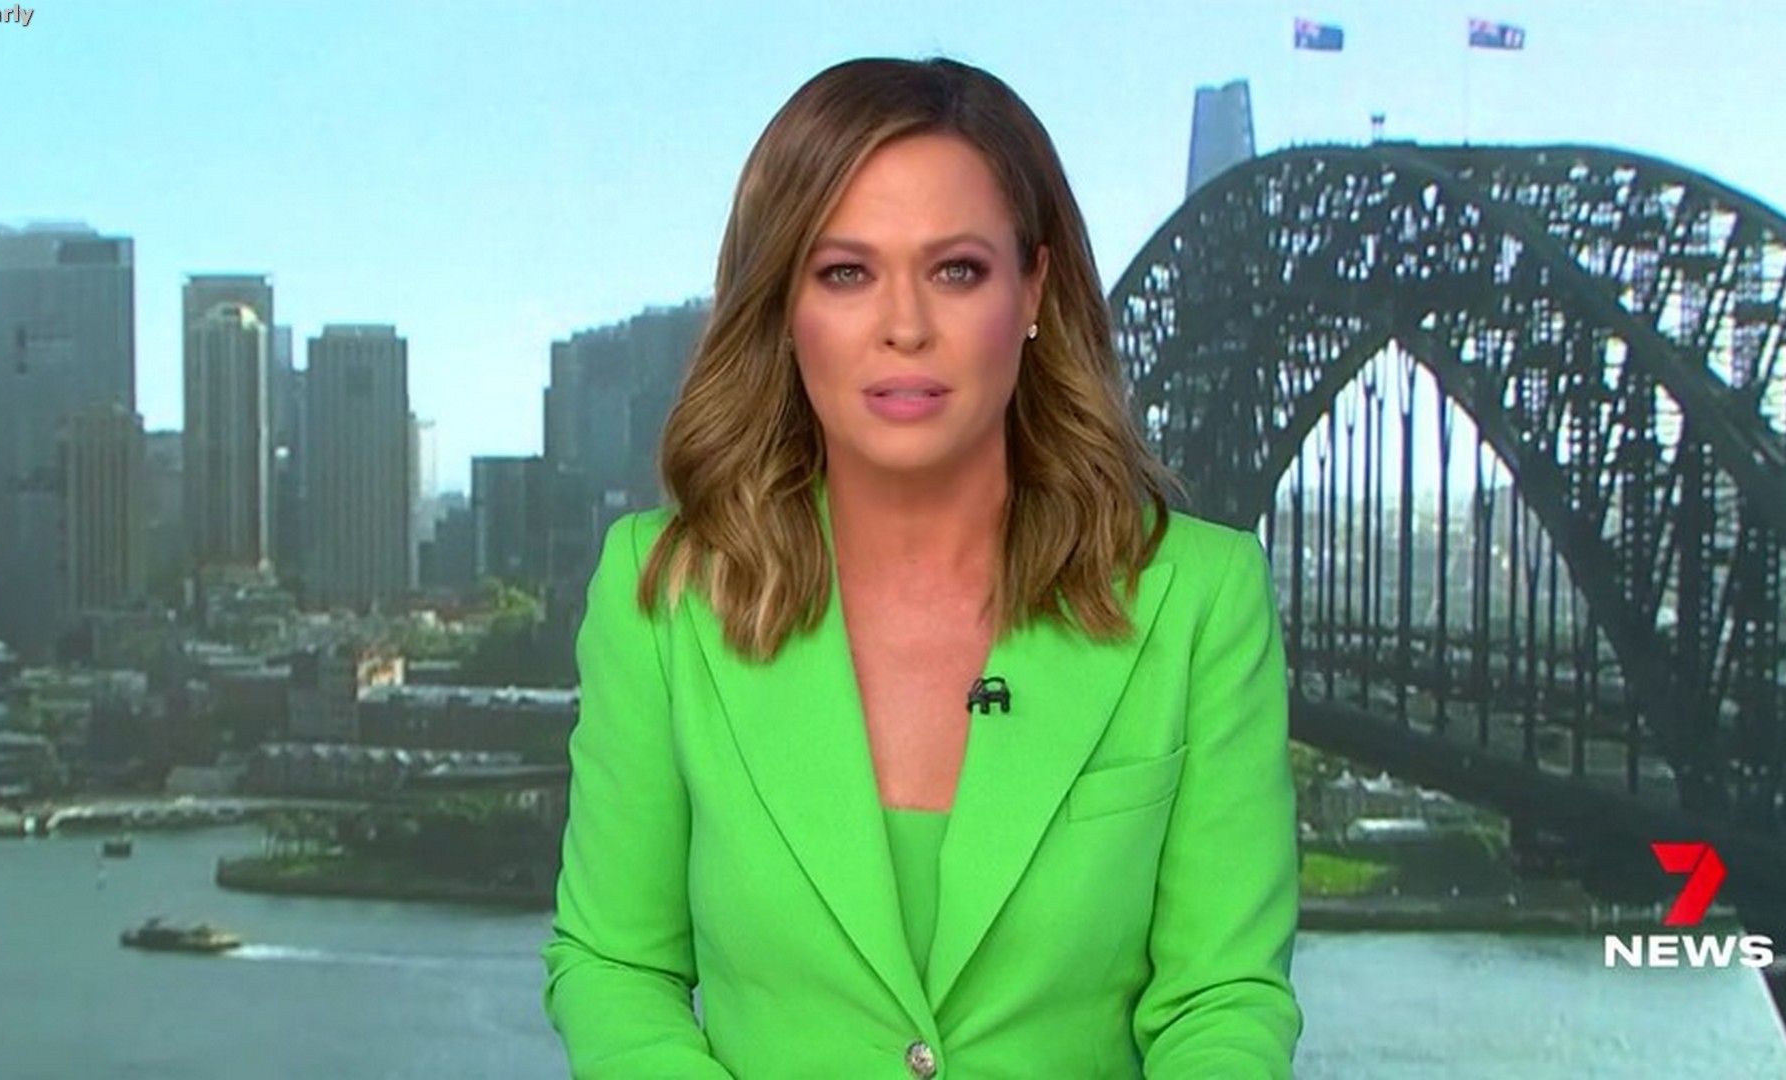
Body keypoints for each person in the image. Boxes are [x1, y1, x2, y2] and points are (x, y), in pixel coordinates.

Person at [541, 55, 1302, 1078]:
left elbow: (1223, 1000)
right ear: (783, 304)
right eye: (845, 273)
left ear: (1033, 291)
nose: (905, 327)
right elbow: (615, 967)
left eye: (956, 271)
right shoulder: (664, 592)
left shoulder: (1199, 599)